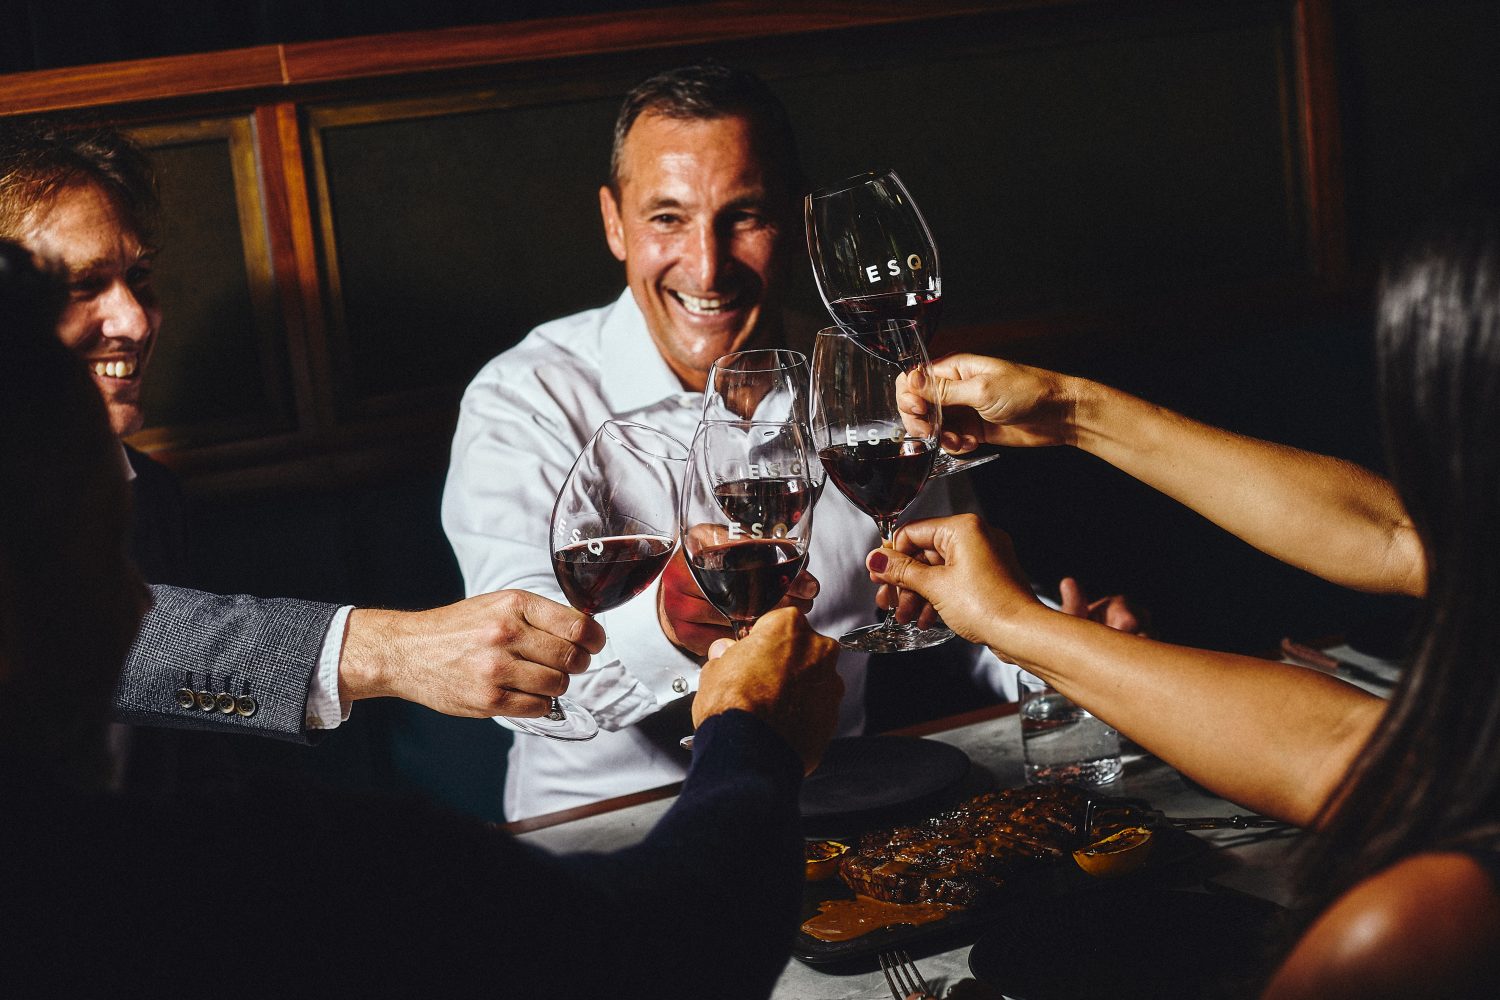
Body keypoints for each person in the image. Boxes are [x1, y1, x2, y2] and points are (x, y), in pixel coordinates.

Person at [0, 237, 844, 998]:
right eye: (100, 555)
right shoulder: (253, 873)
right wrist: (752, 737)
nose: (139, 606)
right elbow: (668, 949)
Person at [443, 61, 1137, 819]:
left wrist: (1068, 653)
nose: (707, 266)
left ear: (797, 222)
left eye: (744, 217)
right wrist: (666, 627)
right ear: (614, 222)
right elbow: (522, 676)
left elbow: (953, 603)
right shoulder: (525, 399)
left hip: (839, 810)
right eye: (667, 218)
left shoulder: (862, 374)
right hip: (608, 828)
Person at [863, 177, 1500, 997]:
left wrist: (1013, 622)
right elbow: (1398, 537)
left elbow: (1349, 756)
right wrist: (1073, 411)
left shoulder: (1416, 925)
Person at [0, 118, 605, 758]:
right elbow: (61, 628)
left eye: (139, 276)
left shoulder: (151, 493)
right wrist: (389, 652)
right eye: (83, 285)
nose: (135, 319)